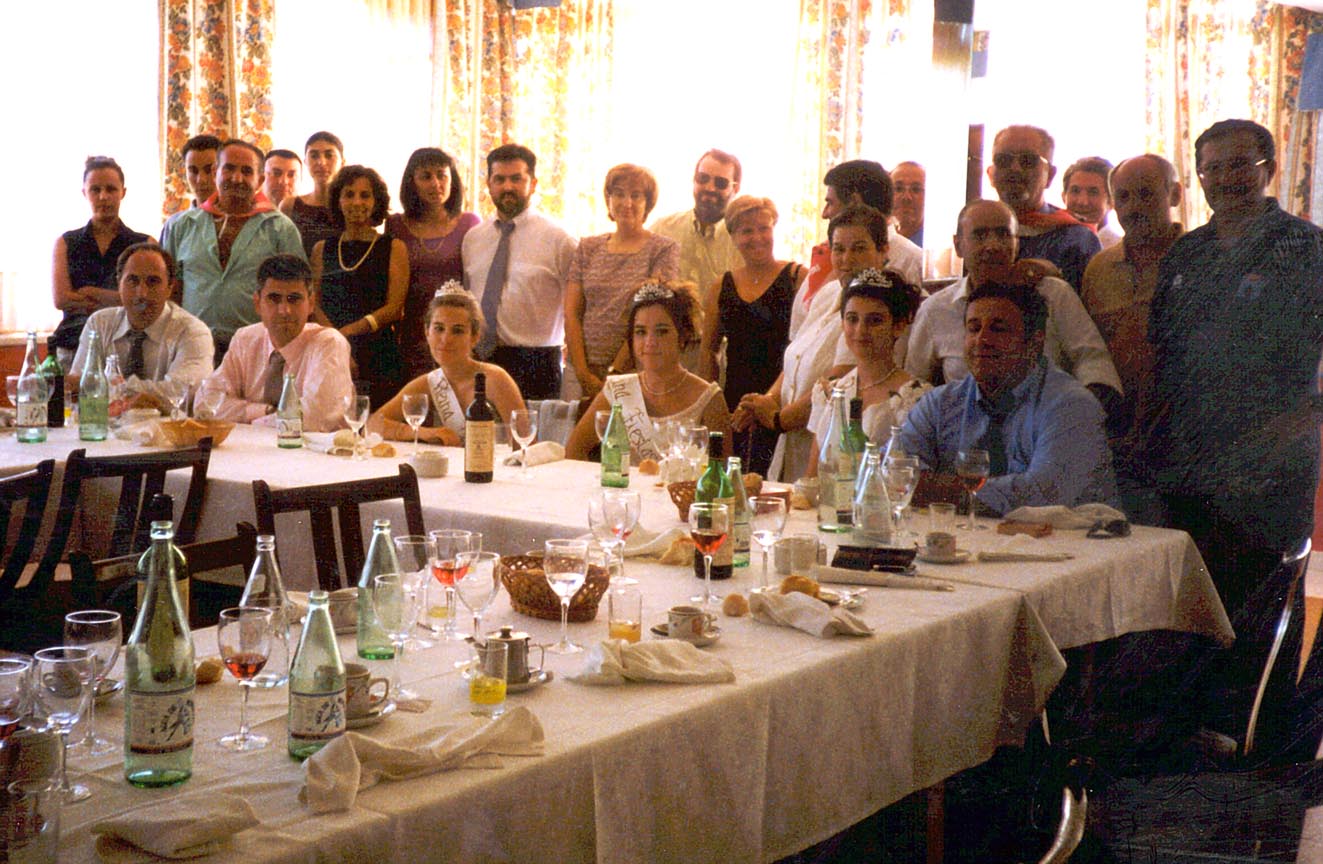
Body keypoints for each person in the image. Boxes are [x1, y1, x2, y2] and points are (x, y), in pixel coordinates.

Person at [1149, 119, 1323, 757]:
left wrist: (1305, 421)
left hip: (1271, 465)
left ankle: (1265, 755)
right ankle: (1190, 750)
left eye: (1239, 165)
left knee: (1264, 610)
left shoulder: (1306, 249)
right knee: (1195, 607)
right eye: (1212, 168)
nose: (1226, 179)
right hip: (1190, 462)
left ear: (1269, 168)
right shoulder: (1186, 256)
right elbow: (1163, 358)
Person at [897, 279, 1117, 513]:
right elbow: (897, 471)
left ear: (1035, 342)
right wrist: (927, 486)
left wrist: (941, 490)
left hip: (1072, 535)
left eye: (998, 329)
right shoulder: (939, 404)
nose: (982, 340)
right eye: (974, 328)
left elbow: (1043, 496)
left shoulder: (1072, 406)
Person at [904, 200, 1122, 420]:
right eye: (980, 235)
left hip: (1049, 423)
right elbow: (913, 386)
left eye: (1003, 234)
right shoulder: (936, 310)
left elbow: (1093, 361)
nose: (992, 245)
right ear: (958, 245)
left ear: (1017, 244)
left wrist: (1082, 413)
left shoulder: (1053, 294)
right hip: (964, 431)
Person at [734, 205, 891, 482]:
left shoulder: (879, 309)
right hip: (790, 442)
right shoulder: (828, 292)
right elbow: (795, 356)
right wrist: (768, 400)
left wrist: (778, 419)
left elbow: (840, 380)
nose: (846, 259)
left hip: (831, 444)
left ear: (883, 251)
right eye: (838, 249)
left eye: (858, 248)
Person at [1080, 154, 1183, 522]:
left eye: (1146, 194)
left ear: (1175, 195)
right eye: (1123, 197)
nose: (1134, 207)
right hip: (1117, 443)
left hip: (1182, 443)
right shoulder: (1099, 268)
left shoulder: (1199, 260)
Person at [161, 139, 305, 360]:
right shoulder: (180, 226)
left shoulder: (280, 229)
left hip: (257, 351)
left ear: (260, 180)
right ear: (215, 172)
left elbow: (296, 295)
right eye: (229, 168)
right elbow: (168, 290)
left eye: (246, 171)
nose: (237, 178)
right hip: (190, 348)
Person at [566, 281, 729, 463]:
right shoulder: (617, 390)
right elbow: (574, 451)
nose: (650, 342)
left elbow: (723, 473)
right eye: (641, 332)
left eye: (662, 331)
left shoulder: (709, 399)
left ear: (683, 336)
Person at [462, 143, 577, 401]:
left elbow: (577, 309)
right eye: (499, 179)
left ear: (533, 184)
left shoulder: (560, 240)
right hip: (481, 359)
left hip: (537, 363)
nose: (507, 187)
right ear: (489, 184)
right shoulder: (473, 239)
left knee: (532, 429)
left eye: (516, 179)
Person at [701, 196, 801, 476]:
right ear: (733, 236)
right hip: (735, 406)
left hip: (782, 402)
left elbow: (804, 347)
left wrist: (769, 401)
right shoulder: (721, 286)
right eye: (747, 231)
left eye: (763, 228)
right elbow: (708, 351)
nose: (757, 237)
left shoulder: (796, 277)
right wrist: (713, 408)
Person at [564, 163, 679, 400]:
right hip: (580, 370)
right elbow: (572, 313)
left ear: (648, 203)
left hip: (635, 370)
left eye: (636, 196)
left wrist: (615, 372)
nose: (627, 203)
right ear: (608, 199)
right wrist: (583, 373)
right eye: (619, 194)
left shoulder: (663, 249)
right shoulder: (587, 247)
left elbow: (653, 315)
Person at [206, 253, 352, 432]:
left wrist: (250, 420)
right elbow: (207, 403)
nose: (284, 310)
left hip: (317, 449)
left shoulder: (329, 343)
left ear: (311, 304)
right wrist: (266, 411)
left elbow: (314, 418)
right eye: (274, 299)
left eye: (294, 299)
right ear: (257, 303)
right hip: (251, 447)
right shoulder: (245, 339)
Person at [805, 269, 929, 477]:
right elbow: (812, 476)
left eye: (875, 320)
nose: (861, 330)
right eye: (852, 319)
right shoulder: (830, 392)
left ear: (898, 326)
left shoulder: (916, 397)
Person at [369, 283, 526, 446]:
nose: (446, 339)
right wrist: (424, 433)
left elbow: (525, 445)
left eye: (457, 331)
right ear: (427, 332)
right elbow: (371, 425)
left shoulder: (495, 379)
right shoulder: (427, 383)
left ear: (475, 337)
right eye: (439, 328)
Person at [309, 165, 408, 409]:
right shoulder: (321, 249)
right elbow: (313, 303)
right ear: (338, 200)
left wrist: (348, 333)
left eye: (365, 195)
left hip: (378, 354)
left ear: (376, 202)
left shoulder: (393, 247)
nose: (357, 202)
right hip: (328, 350)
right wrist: (336, 341)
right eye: (349, 194)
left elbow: (394, 308)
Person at [797, 160, 923, 341]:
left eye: (830, 202)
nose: (825, 214)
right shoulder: (829, 288)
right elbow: (797, 337)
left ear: (855, 202)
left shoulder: (910, 260)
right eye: (839, 249)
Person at [67, 243, 213, 397]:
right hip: (106, 414)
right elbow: (77, 386)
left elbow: (181, 393)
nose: (142, 293)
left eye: (153, 281)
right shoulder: (99, 324)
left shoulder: (192, 332)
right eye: (133, 280)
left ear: (170, 288)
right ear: (119, 284)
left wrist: (108, 388)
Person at [386, 147, 480, 381]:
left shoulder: (470, 223)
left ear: (452, 179)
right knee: (416, 399)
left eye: (441, 175)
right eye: (426, 176)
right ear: (412, 182)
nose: (435, 183)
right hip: (412, 335)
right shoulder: (395, 225)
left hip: (457, 332)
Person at [49, 156, 152, 367]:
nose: (103, 197)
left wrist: (91, 293)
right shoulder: (66, 242)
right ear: (84, 193)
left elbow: (147, 299)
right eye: (95, 190)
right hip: (72, 344)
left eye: (111, 189)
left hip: (126, 348)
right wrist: (120, 299)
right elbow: (61, 299)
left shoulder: (144, 245)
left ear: (123, 192)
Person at [986, 125, 1101, 290]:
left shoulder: (1077, 240)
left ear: (1050, 175)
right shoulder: (977, 232)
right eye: (1003, 160)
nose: (1015, 168)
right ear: (990, 174)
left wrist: (1057, 277)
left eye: (1028, 161)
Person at [648, 149, 742, 307]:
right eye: (703, 178)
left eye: (720, 183)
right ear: (694, 179)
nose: (710, 188)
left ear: (735, 189)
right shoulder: (662, 230)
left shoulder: (742, 242)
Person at [279, 131, 344, 258]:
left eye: (329, 155)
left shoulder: (350, 205)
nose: (321, 162)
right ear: (306, 162)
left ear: (342, 162)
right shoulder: (290, 206)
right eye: (314, 156)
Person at [1062, 156, 1122, 249]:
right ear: (1063, 196)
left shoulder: (1120, 251)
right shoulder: (1051, 243)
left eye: (1093, 192)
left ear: (1112, 201)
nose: (1082, 202)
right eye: (1075, 191)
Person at [891, 161, 926, 246]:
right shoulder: (876, 241)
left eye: (916, 189)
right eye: (898, 189)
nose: (906, 197)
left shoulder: (934, 245)